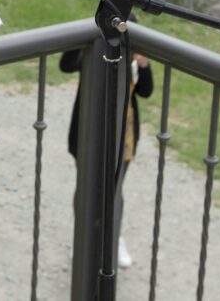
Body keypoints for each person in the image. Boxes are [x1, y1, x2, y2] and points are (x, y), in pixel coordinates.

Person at [61, 29, 154, 269]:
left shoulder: (134, 58)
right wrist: (82, 39)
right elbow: (66, 64)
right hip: (89, 127)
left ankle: (113, 238)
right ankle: (80, 237)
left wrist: (142, 63)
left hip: (125, 131)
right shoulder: (95, 51)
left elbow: (146, 91)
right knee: (85, 186)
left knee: (115, 187)